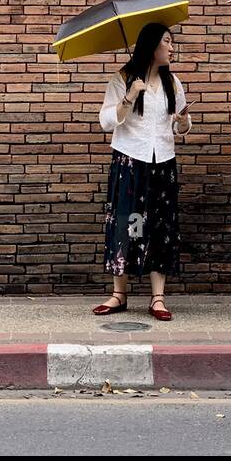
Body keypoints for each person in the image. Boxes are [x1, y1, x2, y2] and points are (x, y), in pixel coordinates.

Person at [93, 23, 192, 321]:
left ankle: (157, 297)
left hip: (162, 162)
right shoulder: (122, 79)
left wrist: (183, 123)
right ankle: (118, 294)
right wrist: (129, 97)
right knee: (126, 223)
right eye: (167, 42)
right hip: (129, 160)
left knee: (161, 225)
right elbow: (106, 122)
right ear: (151, 45)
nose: (172, 48)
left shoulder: (173, 82)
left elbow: (180, 126)